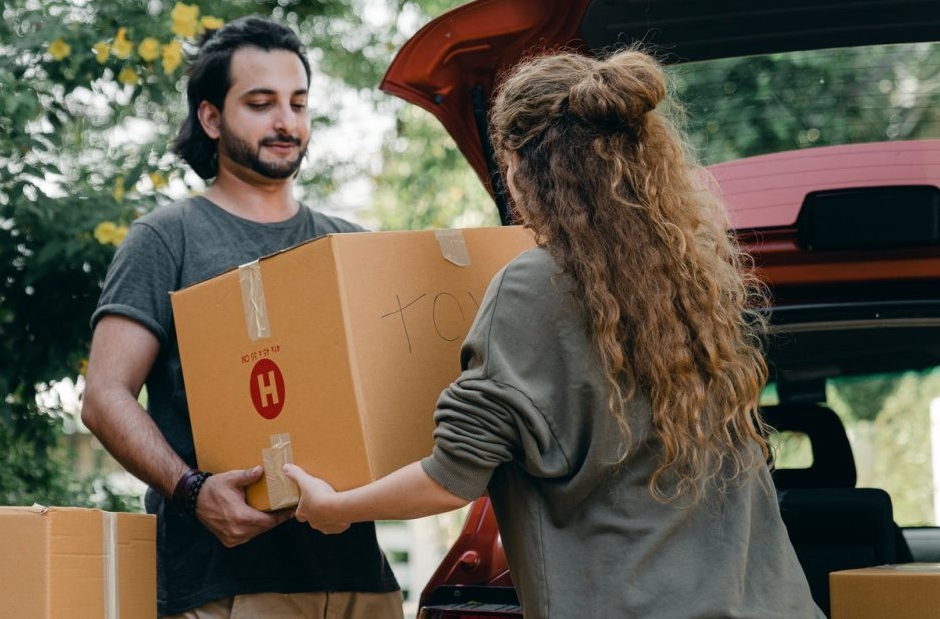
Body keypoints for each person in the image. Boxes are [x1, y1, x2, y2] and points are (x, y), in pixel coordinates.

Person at [284, 49, 823, 617]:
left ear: (520, 164)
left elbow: (451, 478)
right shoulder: (696, 278)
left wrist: (337, 506)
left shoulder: (533, 285)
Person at [81, 16, 401, 619]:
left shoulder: (349, 245)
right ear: (210, 117)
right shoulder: (166, 239)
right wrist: (194, 492)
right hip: (225, 585)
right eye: (261, 104)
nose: (286, 122)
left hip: (362, 579)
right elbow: (104, 396)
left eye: (298, 103)